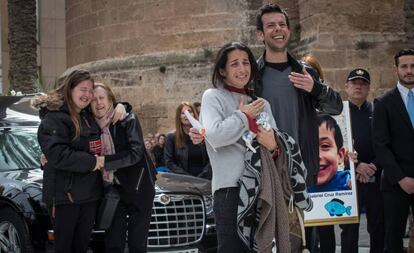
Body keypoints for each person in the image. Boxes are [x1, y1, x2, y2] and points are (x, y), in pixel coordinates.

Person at [33, 69, 126, 253]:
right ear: (70, 88)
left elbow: (106, 109)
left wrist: (122, 106)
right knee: (65, 248)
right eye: (83, 89)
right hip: (65, 198)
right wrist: (94, 162)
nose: (88, 95)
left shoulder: (87, 117)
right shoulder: (54, 118)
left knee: (81, 247)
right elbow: (59, 155)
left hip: (89, 195)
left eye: (90, 90)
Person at [200, 41, 280, 253]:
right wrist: (244, 116)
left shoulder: (262, 104)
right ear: (222, 71)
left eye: (245, 62)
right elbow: (215, 136)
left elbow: (275, 147)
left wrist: (272, 145)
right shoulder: (212, 97)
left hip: (263, 190)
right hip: (230, 191)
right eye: (234, 64)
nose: (242, 68)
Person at [254, 3, 343, 187]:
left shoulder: (306, 72)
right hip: (265, 166)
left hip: (301, 167)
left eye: (282, 24)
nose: (278, 28)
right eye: (271, 25)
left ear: (288, 31)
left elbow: (336, 108)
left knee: (297, 217)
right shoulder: (253, 76)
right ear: (260, 34)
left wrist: (315, 88)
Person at [91, 82, 156, 253]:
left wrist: (105, 161)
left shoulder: (127, 119)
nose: (98, 103)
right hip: (113, 191)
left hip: (139, 187)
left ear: (111, 99)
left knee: (137, 244)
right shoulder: (89, 126)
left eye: (102, 98)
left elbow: (135, 153)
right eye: (94, 99)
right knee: (113, 242)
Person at [372, 48, 414, 253]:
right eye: (404, 66)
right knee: (394, 239)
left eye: (413, 66)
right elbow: (380, 145)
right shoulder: (383, 103)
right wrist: (401, 179)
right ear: (395, 69)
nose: (409, 71)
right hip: (395, 184)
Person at [339, 68, 385, 253]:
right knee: (349, 229)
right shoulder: (338, 114)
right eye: (354, 83)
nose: (358, 87)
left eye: (363, 83)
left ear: (368, 88)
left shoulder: (378, 112)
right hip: (349, 178)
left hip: (375, 177)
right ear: (346, 87)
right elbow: (332, 146)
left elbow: (386, 144)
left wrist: (373, 166)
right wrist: (356, 166)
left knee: (377, 226)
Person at [301, 54, 337, 253]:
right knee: (306, 230)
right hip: (305, 173)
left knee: (324, 228)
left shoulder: (325, 102)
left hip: (321, 176)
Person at [164, 101, 211, 179]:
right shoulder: (171, 137)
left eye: (190, 111)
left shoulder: (203, 134)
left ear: (194, 114)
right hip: (182, 182)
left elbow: (211, 159)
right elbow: (169, 162)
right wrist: (188, 178)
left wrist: (201, 177)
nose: (187, 115)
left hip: (204, 181)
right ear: (179, 116)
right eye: (183, 113)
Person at [308, 114, 351, 193]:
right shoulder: (294, 189)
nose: (317, 156)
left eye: (325, 146)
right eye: (308, 148)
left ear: (340, 155)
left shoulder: (348, 181)